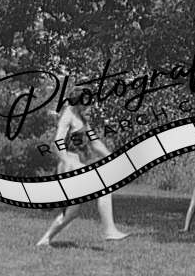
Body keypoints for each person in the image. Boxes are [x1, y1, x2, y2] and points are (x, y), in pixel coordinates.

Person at [36, 89, 129, 246]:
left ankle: (44, 241)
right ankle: (109, 230)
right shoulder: (68, 115)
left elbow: (95, 143)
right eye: (85, 100)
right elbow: (58, 141)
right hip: (69, 165)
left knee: (72, 212)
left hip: (77, 164)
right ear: (77, 99)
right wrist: (67, 162)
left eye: (89, 100)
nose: (88, 104)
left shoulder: (82, 119)